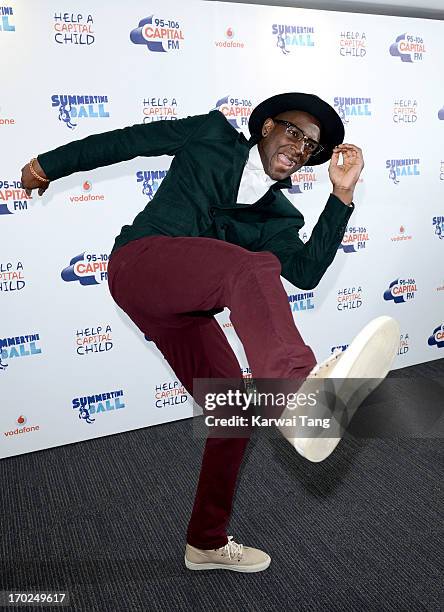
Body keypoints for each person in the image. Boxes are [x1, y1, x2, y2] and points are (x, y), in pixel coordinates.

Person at [21, 92, 399, 573]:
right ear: (266, 127)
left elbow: (305, 272)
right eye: (294, 132)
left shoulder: (279, 217)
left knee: (234, 413)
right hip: (140, 264)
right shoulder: (211, 134)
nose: (300, 148)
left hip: (183, 312)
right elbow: (130, 141)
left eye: (312, 148)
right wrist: (49, 164)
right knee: (248, 269)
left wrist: (341, 195)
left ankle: (206, 542)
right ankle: (296, 392)